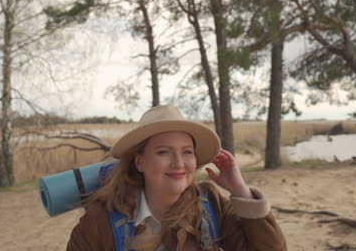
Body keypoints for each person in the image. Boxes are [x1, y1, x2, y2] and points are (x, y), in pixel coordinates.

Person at [67, 105, 286, 250]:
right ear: (139, 162)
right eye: (163, 152)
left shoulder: (211, 205)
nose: (179, 163)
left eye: (187, 152)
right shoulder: (100, 220)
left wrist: (241, 192)